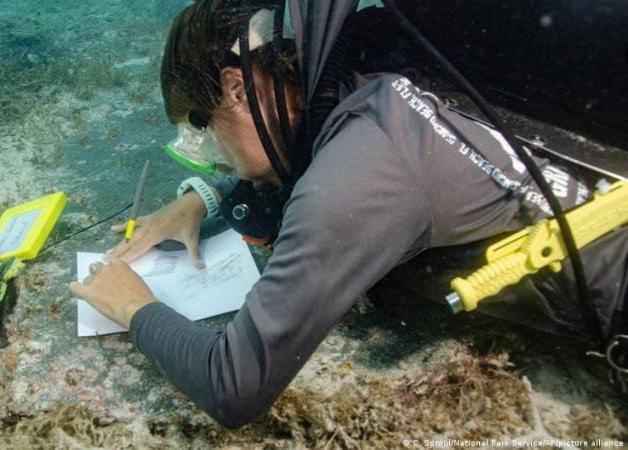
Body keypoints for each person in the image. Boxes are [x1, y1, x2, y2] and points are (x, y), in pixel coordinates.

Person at [69, 0, 628, 428]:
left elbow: (232, 386)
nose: (221, 160)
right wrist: (202, 198)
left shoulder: (359, 175)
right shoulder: (361, 48)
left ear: (236, 90)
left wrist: (134, 305)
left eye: (206, 138)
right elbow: (289, 151)